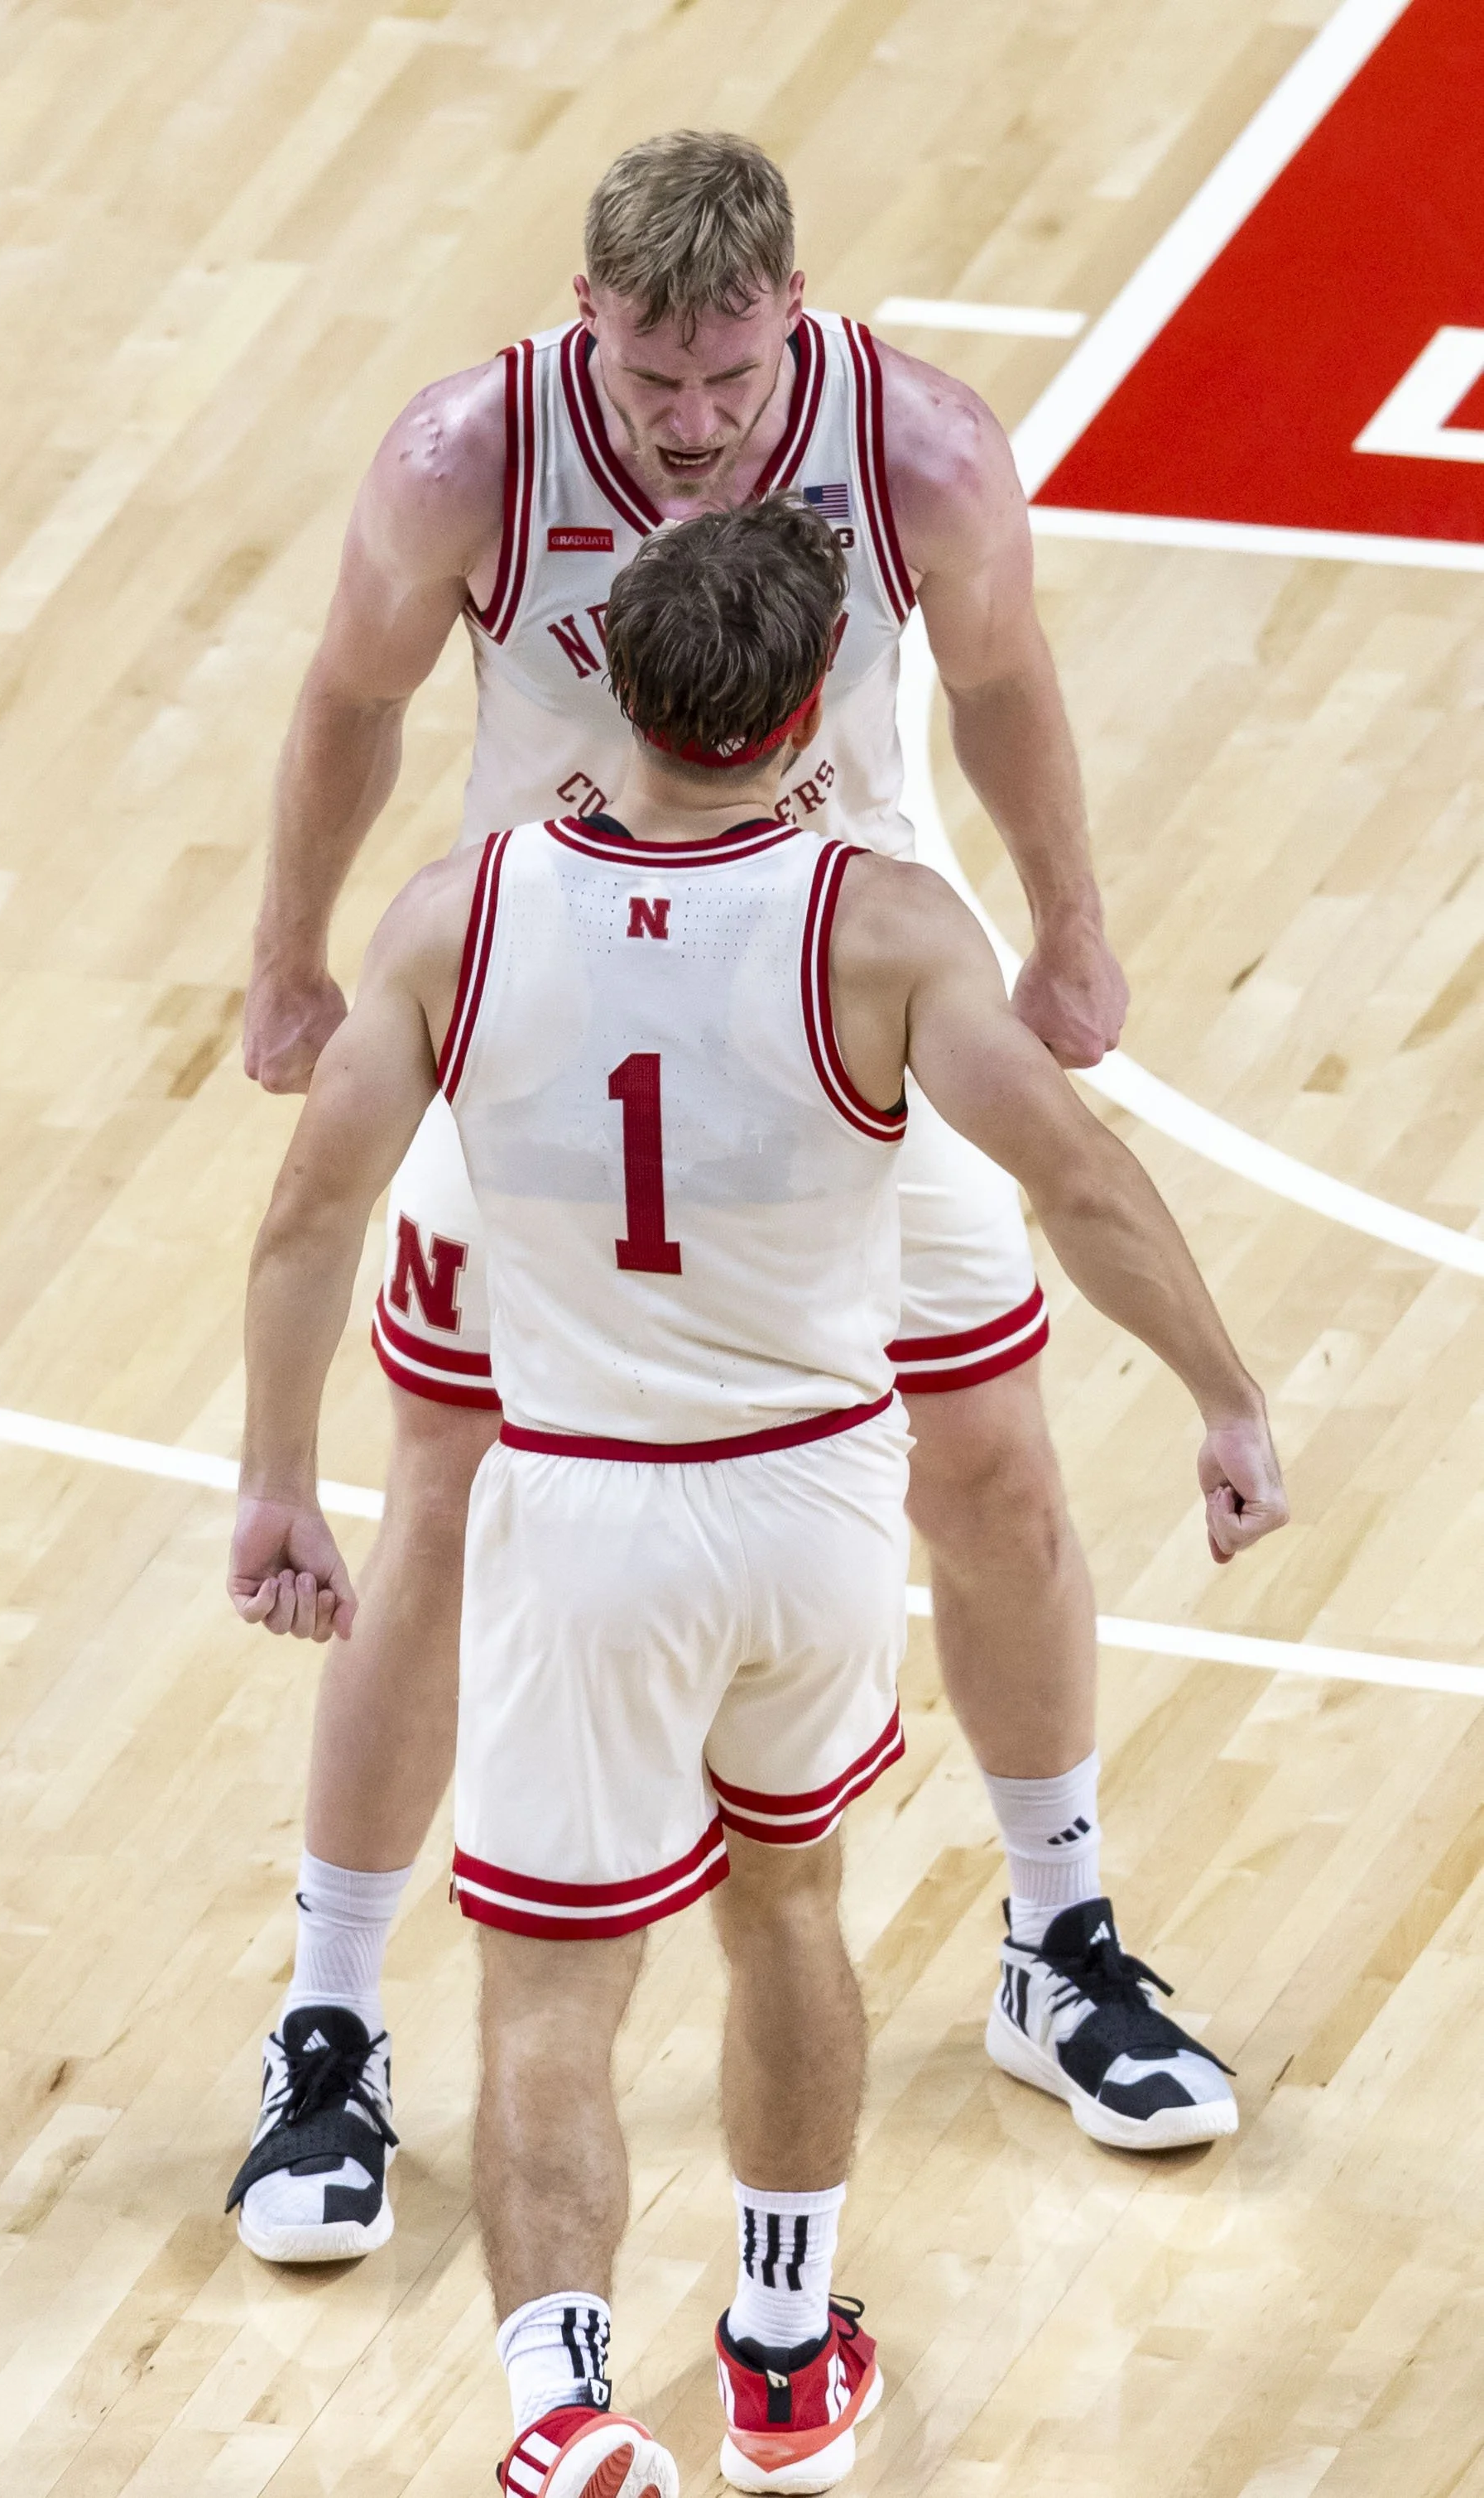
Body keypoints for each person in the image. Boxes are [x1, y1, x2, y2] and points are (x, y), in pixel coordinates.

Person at [228, 499, 1288, 2494]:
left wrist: (280, 1479)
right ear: (814, 715)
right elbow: (1073, 1178)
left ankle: (558, 2410)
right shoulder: (881, 926)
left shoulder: (457, 917)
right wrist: (1223, 1395)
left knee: (550, 1985)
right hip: (812, 1512)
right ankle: (787, 2350)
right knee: (786, 1904)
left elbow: (308, 1212)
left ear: (601, 684)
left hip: (588, 1510)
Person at [229, 125, 1200, 2265]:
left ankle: (1059, 1937)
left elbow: (1012, 685)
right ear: (589, 327)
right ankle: (328, 2024)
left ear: (795, 321)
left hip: (847, 976)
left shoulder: (917, 446)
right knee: (449, 1495)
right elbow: (349, 700)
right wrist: (296, 948)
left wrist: (1067, 923)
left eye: (729, 387)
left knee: (1000, 1468)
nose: (689, 430)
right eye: (652, 388)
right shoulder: (465, 454)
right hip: (561, 995)